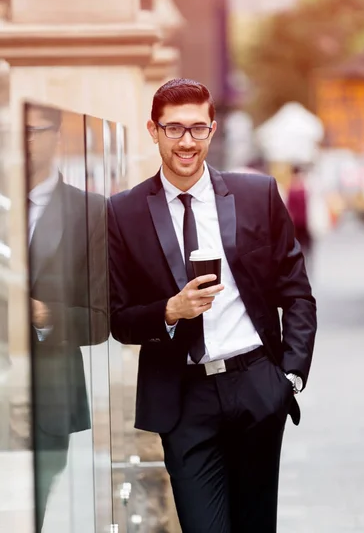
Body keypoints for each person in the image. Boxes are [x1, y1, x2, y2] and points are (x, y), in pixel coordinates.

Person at [108, 79, 317, 533]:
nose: (187, 142)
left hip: (257, 385)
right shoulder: (122, 213)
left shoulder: (256, 195)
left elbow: (296, 291)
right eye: (175, 129)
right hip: (183, 398)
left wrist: (290, 377)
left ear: (213, 129)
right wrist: (170, 310)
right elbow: (119, 319)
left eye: (198, 129)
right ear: (154, 130)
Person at [26, 103, 109, 530]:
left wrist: (45, 316)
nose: (21, 140)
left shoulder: (89, 210)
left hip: (47, 396)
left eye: (33, 130)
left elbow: (99, 320)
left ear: (57, 137)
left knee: (27, 514)